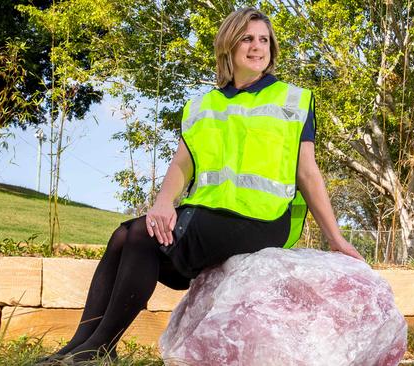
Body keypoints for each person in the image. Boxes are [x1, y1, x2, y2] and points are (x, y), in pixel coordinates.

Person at [38, 7, 363, 364]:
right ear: (228, 44)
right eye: (248, 38)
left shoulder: (293, 100)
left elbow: (308, 173)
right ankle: (81, 344)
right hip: (208, 217)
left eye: (264, 40)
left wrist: (335, 237)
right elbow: (182, 164)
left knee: (142, 238)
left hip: (264, 221)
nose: (258, 47)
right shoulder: (201, 105)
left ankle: (99, 347)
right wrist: (162, 202)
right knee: (125, 235)